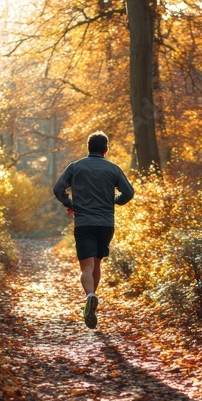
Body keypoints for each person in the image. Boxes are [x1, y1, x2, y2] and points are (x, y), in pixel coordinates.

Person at [52, 131, 135, 329]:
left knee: (86, 268)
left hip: (84, 223)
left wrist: (70, 204)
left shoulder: (75, 167)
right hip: (106, 224)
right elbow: (128, 193)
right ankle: (92, 303)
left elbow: (58, 189)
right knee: (97, 263)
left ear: (88, 148)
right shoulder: (113, 169)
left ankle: (90, 296)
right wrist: (113, 200)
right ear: (106, 150)